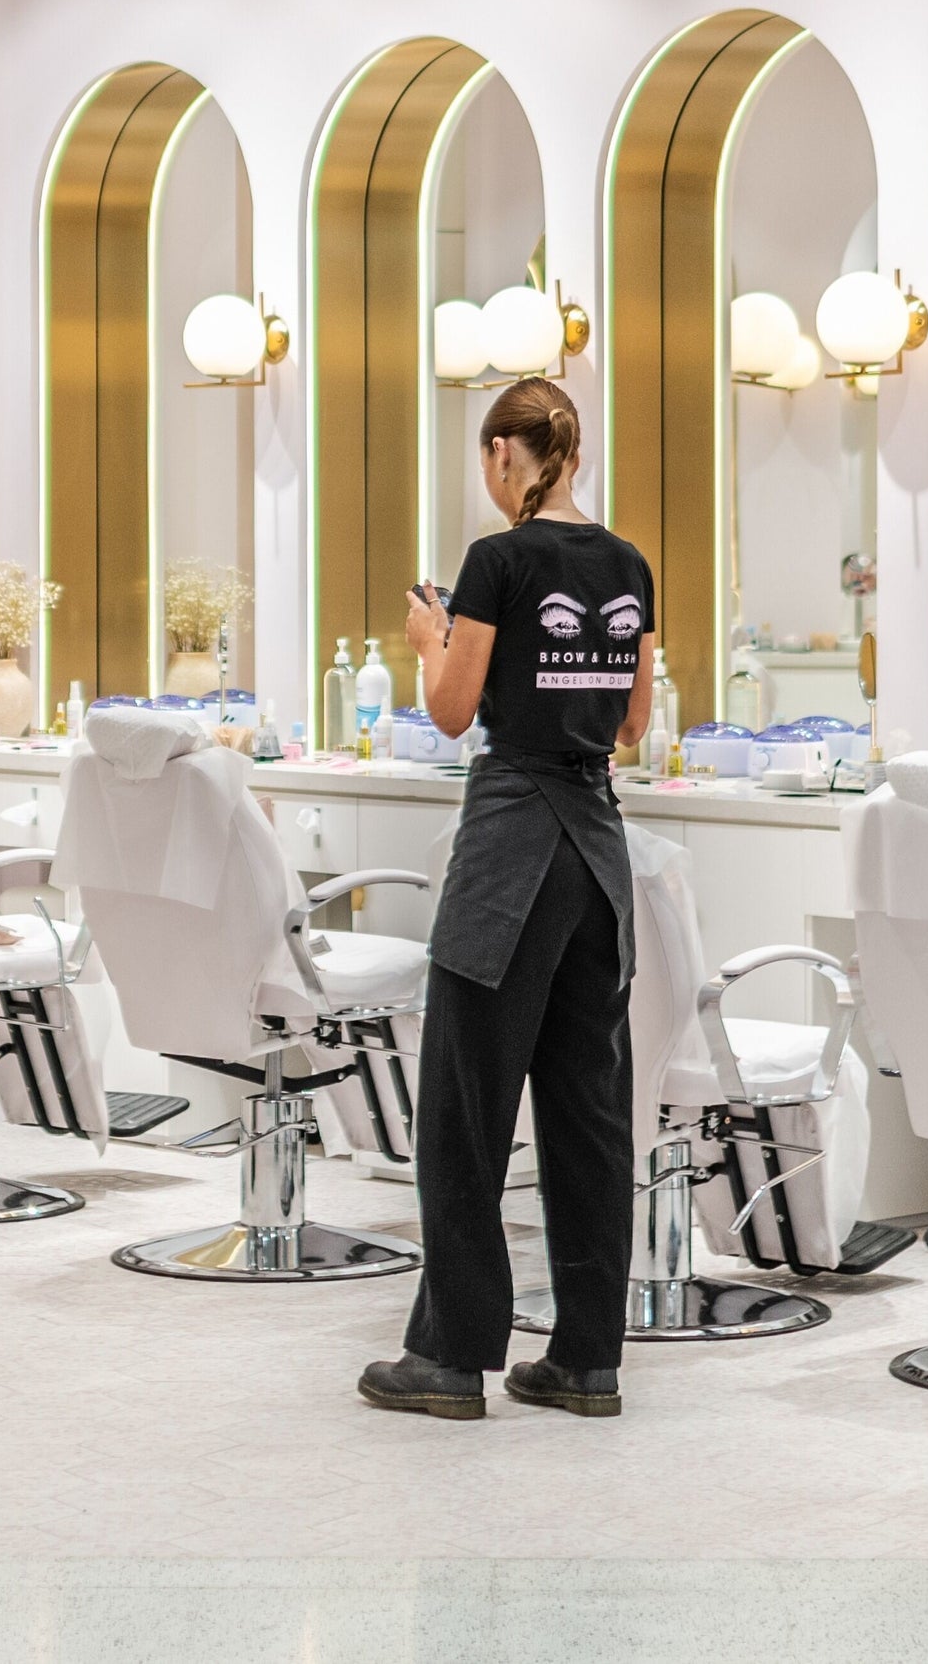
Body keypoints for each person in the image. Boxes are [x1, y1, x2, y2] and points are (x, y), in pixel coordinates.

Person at [357, 376, 647, 1423]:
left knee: (467, 1109)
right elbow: (630, 724)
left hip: (514, 841)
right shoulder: (627, 563)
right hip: (598, 855)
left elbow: (450, 711)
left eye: (489, 456)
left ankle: (450, 1355)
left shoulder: (498, 559)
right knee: (587, 1109)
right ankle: (585, 1358)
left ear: (508, 455)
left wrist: (429, 640)